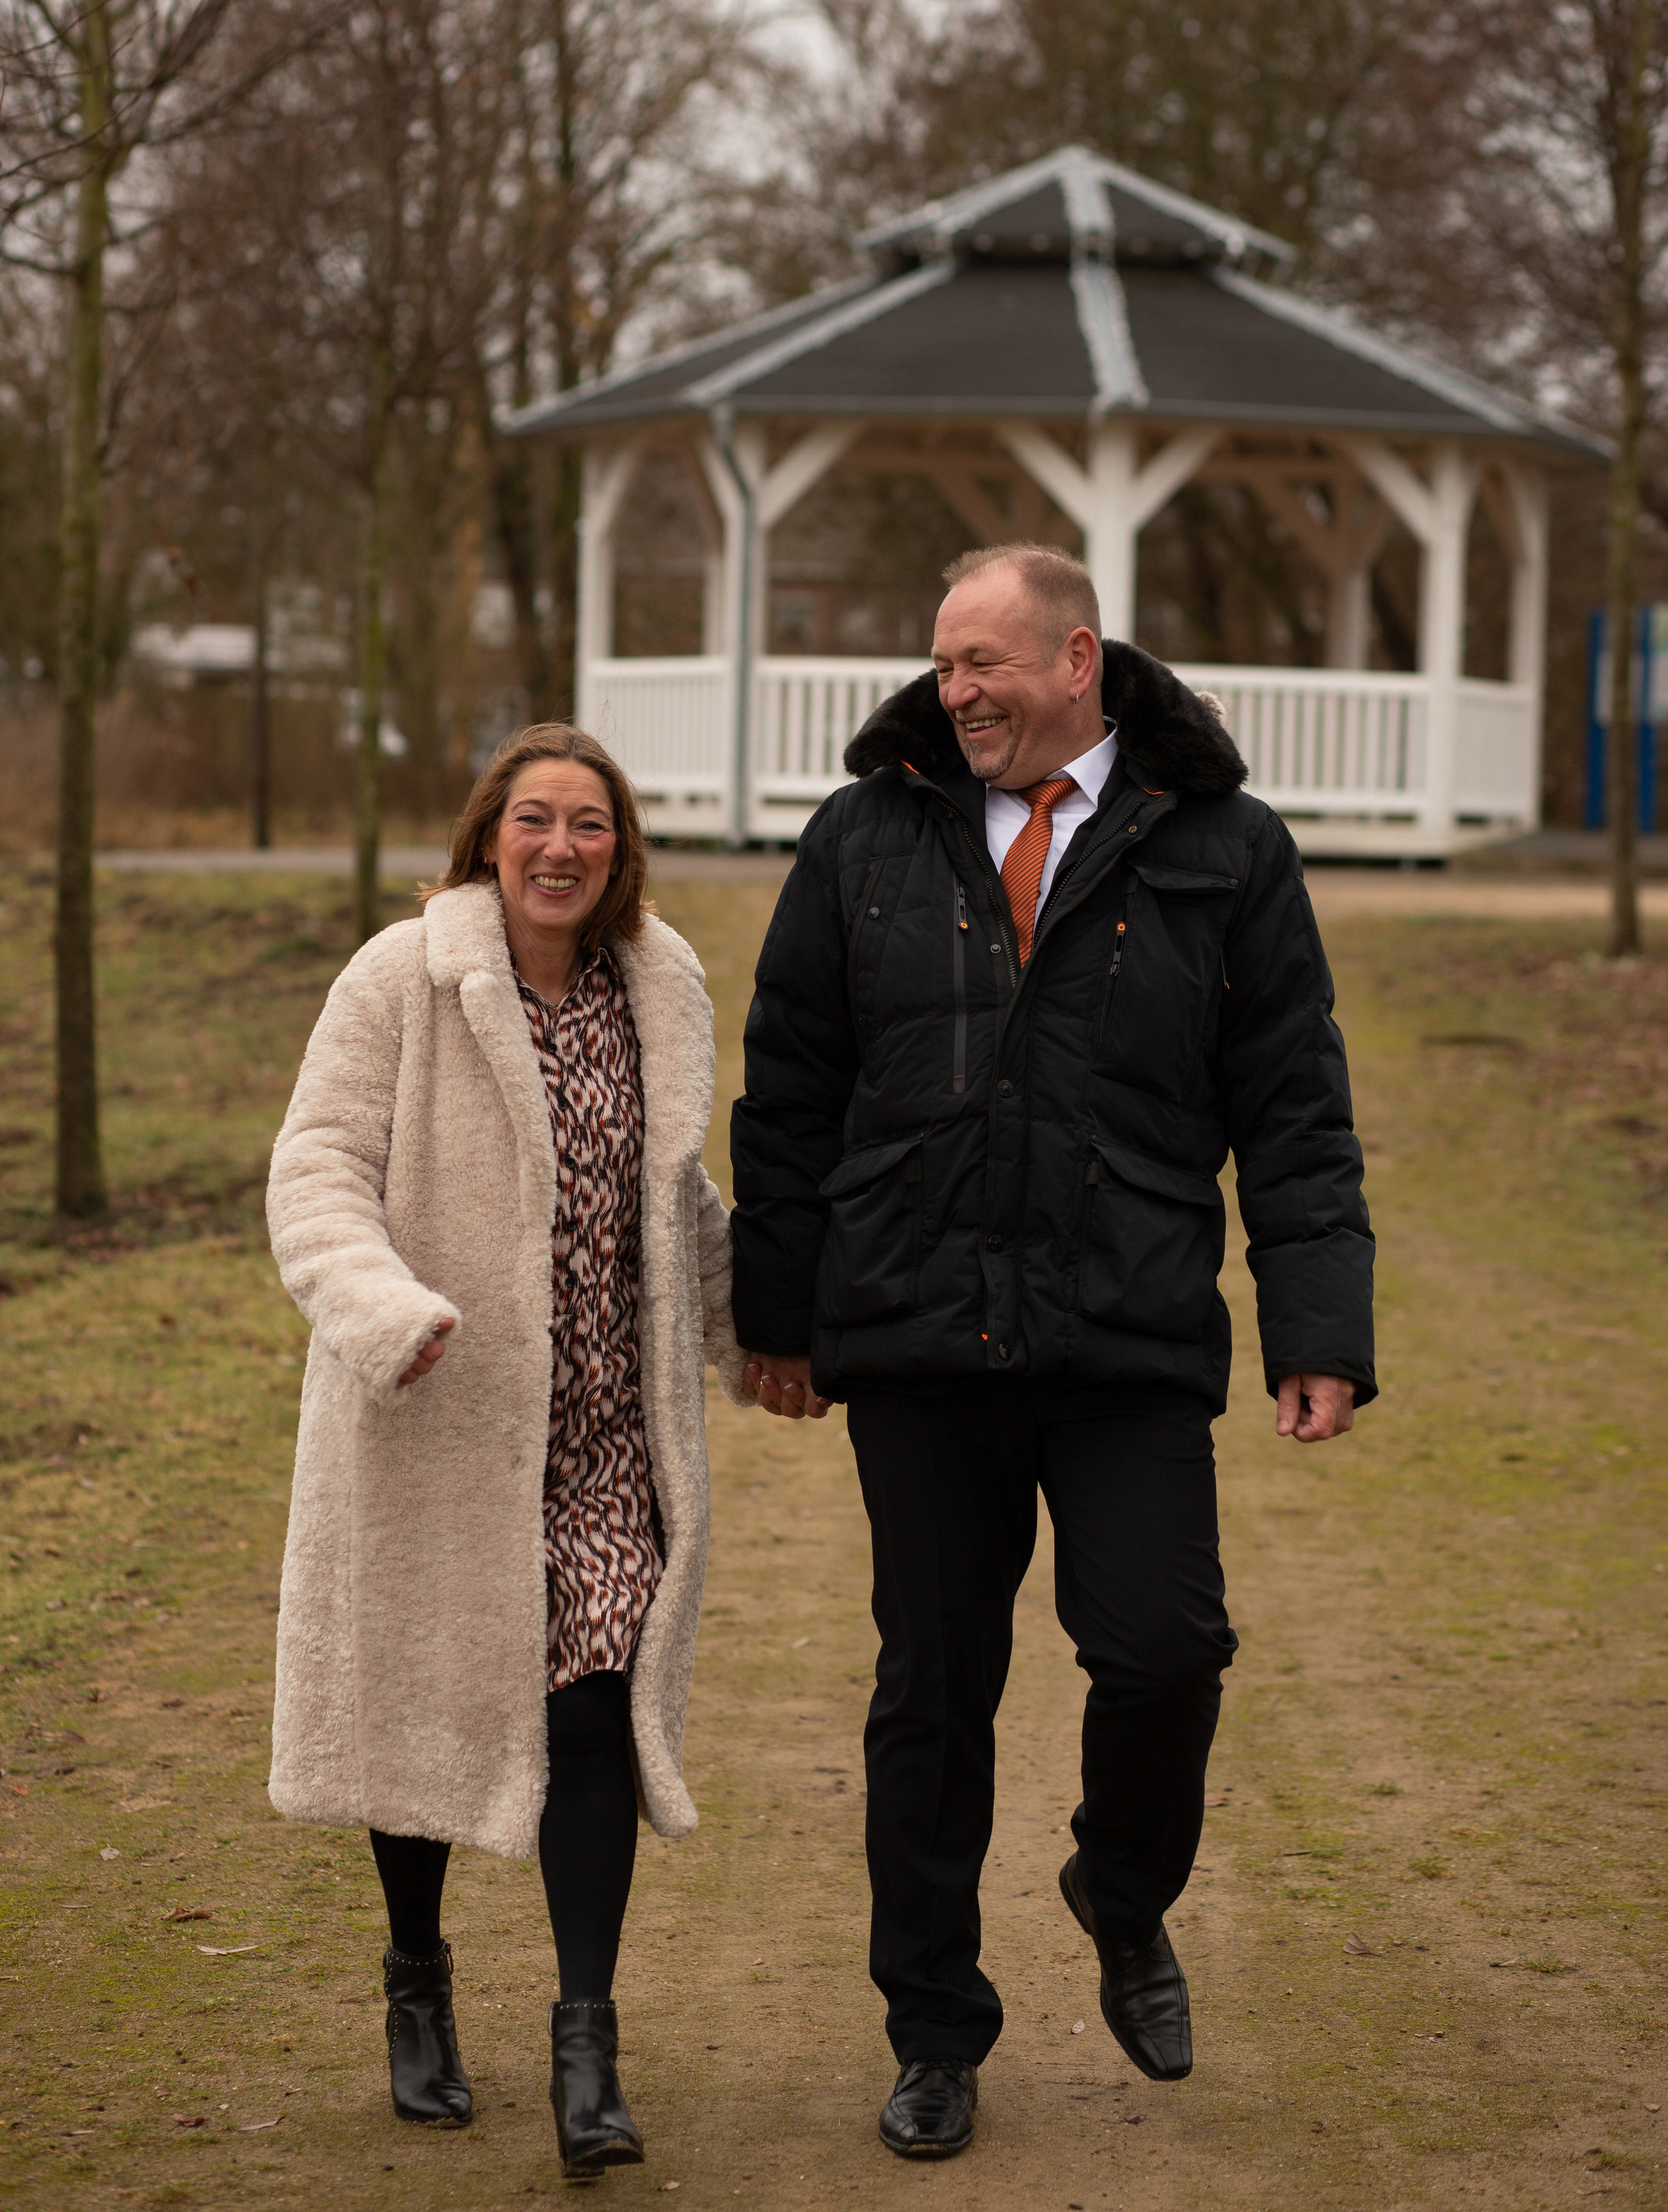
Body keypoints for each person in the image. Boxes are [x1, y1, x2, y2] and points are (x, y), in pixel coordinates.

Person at [726, 543, 1374, 2161]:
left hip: (1125, 1333)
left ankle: (1118, 1885)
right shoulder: (865, 834)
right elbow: (790, 1091)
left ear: (1076, 657)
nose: (957, 694)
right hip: (919, 1335)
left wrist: (1320, 1328)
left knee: (1164, 1654)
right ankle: (933, 2031)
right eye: (942, 666)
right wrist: (779, 1317)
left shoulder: (1223, 848)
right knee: (931, 1696)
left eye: (984, 664)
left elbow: (1293, 1110)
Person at [266, 721, 742, 2179]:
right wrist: (381, 1306)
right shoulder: (399, 977)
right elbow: (317, 1168)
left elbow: (678, 1199)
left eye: (588, 824)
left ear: (620, 850)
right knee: (423, 1711)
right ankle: (416, 1980)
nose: (559, 848)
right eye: (532, 820)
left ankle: (584, 2046)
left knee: (594, 1712)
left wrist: (764, 1333)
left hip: (605, 1435)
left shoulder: (657, 988)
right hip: (440, 1418)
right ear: (487, 839)